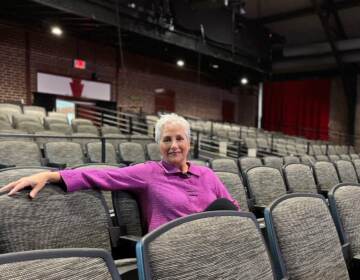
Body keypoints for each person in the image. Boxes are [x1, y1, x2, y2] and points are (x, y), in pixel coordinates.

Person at [0, 113, 239, 232]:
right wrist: (51, 175)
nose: (174, 145)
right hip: (172, 247)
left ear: (189, 143)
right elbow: (103, 175)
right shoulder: (148, 173)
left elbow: (232, 208)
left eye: (179, 138)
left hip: (212, 239)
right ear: (159, 145)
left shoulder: (207, 174)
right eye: (167, 139)